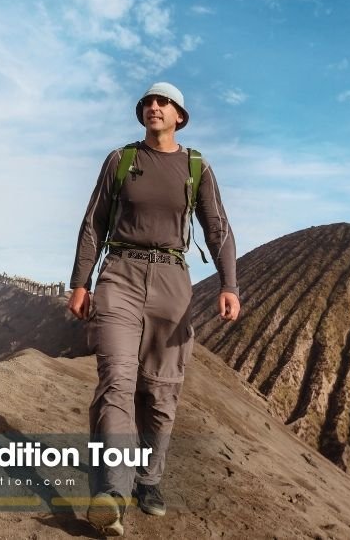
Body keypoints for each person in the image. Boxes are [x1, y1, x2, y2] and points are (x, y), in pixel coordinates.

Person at [67, 81, 241, 536]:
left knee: (161, 391)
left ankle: (149, 479)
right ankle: (112, 493)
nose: (154, 107)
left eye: (163, 102)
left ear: (180, 116)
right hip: (120, 275)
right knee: (117, 381)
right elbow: (93, 223)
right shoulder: (121, 161)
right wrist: (80, 282)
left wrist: (230, 284)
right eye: (148, 102)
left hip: (172, 280)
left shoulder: (196, 167)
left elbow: (218, 227)